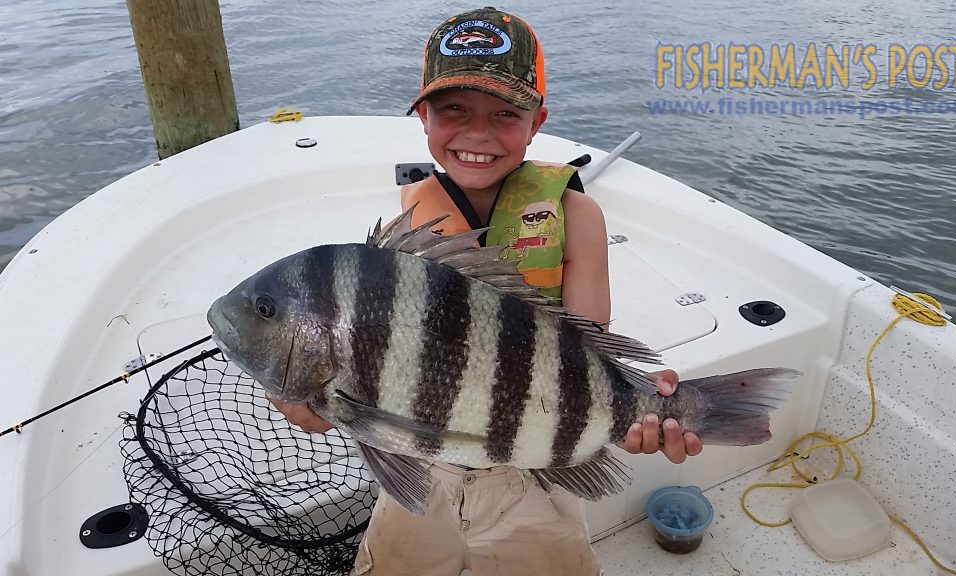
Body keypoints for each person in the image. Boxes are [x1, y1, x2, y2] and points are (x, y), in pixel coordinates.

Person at [270, 7, 702, 575]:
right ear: (424, 116)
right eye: (454, 109)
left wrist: (639, 403)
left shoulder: (577, 215)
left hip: (537, 474)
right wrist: (311, 396)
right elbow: (350, 391)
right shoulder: (403, 243)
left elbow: (584, 351)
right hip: (419, 467)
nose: (478, 132)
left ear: (537, 121)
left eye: (505, 113)